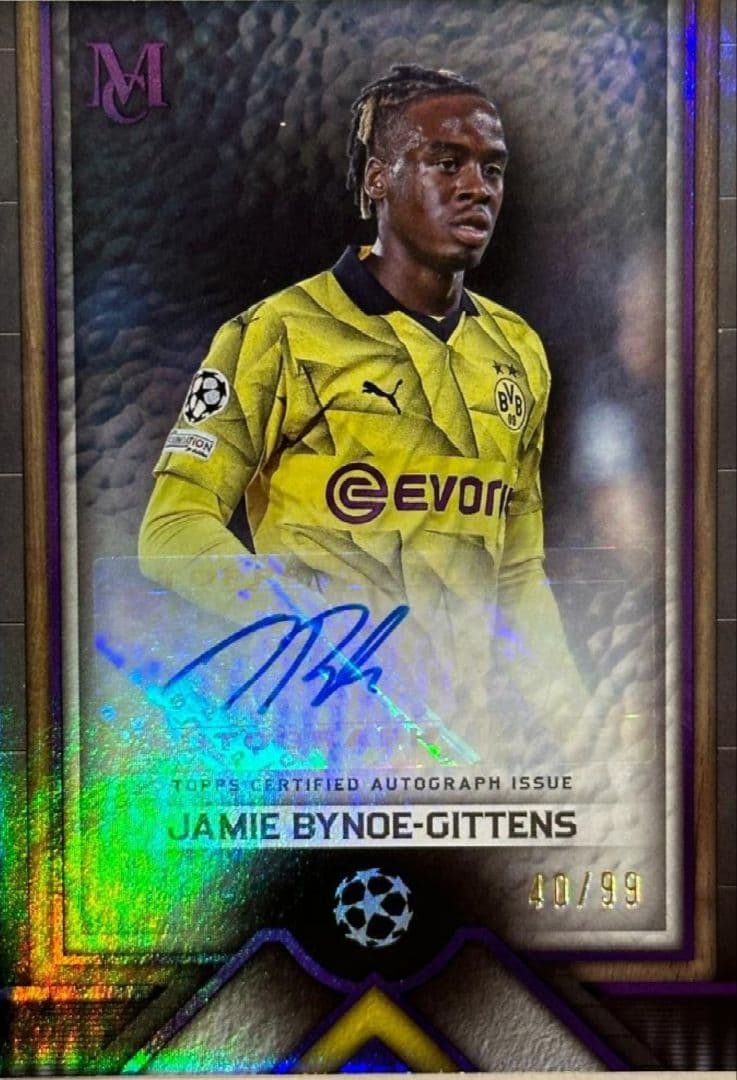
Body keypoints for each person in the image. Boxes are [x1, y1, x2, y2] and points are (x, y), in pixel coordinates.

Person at [139, 64, 588, 762]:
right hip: (316, 750)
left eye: (492, 169)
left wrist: (580, 731)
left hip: (462, 758)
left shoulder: (517, 349)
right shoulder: (278, 332)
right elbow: (171, 530)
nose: (477, 187)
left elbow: (517, 575)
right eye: (447, 163)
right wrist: (307, 628)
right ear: (378, 179)